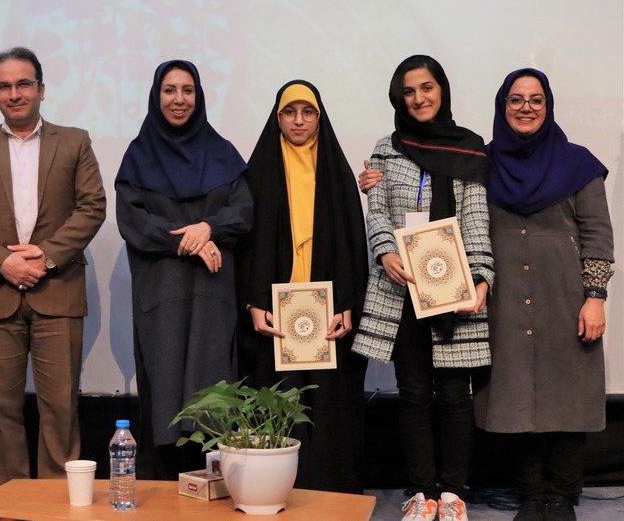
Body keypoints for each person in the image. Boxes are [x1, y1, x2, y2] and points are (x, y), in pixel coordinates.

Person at [0, 46, 106, 491]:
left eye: (23, 84)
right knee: (0, 409)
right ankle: (9, 507)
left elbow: (92, 206)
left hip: (58, 289)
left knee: (60, 408)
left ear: (41, 89)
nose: (14, 94)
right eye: (4, 86)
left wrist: (45, 257)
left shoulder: (74, 141)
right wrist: (4, 262)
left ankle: (55, 507)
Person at [351, 55, 492, 521]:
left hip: (454, 288)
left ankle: (452, 494)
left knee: (454, 394)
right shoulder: (386, 149)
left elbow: (476, 219)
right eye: (409, 91)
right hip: (403, 288)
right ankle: (421, 492)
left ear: (442, 89)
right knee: (412, 392)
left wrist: (482, 278)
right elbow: (378, 212)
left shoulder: (470, 148)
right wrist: (384, 251)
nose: (418, 98)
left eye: (427, 88)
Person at [474, 69, 613, 521]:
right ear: (503, 106)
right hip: (506, 301)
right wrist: (378, 182)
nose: (526, 108)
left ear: (548, 105)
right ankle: (533, 497)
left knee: (568, 399)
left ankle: (562, 497)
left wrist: (595, 297)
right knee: (516, 398)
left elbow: (597, 234)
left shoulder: (578, 164)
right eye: (516, 99)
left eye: (536, 99)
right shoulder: (483, 163)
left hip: (565, 298)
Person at [115, 59, 252, 479]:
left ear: (199, 96)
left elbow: (244, 211)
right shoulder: (138, 156)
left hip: (213, 297)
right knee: (166, 393)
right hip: (162, 298)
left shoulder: (223, 153)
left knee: (212, 392)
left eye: (187, 90)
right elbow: (133, 222)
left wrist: (209, 227)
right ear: (156, 96)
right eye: (170, 90)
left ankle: (215, 490)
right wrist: (191, 241)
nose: (179, 99)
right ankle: (161, 493)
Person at [236, 80, 369, 494]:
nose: (298, 120)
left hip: (327, 314)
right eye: (289, 112)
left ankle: (330, 493)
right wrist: (253, 302)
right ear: (277, 118)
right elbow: (246, 244)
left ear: (319, 117)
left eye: (307, 112)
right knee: (279, 403)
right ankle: (274, 492)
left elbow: (351, 243)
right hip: (274, 314)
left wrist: (347, 302)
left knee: (327, 404)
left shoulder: (336, 172)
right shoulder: (258, 172)